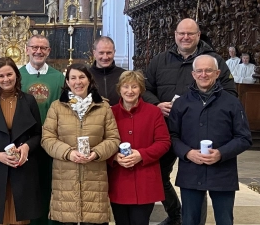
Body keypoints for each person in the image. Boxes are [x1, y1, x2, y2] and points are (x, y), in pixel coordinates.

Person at [143, 18, 237, 225]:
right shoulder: (160, 60)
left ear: (198, 35)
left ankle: (195, 222)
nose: (185, 37)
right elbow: (145, 89)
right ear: (175, 34)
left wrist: (200, 106)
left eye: (190, 34)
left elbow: (230, 93)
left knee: (198, 182)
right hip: (168, 131)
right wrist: (157, 104)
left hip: (201, 132)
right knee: (157, 175)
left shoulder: (213, 60)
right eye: (181, 33)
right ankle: (176, 215)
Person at [168, 54, 252, 225]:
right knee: (190, 220)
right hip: (191, 170)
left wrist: (221, 153)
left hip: (223, 172)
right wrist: (187, 153)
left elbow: (244, 137)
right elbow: (171, 136)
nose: (203, 74)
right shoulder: (181, 103)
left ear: (217, 73)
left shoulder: (232, 102)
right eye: (199, 71)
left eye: (208, 70)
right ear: (193, 74)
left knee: (224, 220)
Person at [41, 63, 120, 225]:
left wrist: (96, 152)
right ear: (68, 82)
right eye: (73, 78)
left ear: (89, 80)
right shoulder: (57, 107)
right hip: (65, 180)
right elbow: (47, 139)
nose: (78, 82)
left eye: (82, 77)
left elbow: (113, 139)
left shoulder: (103, 107)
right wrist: (68, 152)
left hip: (94, 178)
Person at [0, 57, 42, 224]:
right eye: (1, 76)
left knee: (21, 217)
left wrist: (26, 147)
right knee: (0, 216)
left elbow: (38, 134)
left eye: (9, 74)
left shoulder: (29, 101)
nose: (6, 79)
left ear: (16, 75)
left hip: (23, 168)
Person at [108, 70, 171, 225]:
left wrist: (141, 155)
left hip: (145, 180)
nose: (130, 91)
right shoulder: (110, 113)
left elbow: (164, 142)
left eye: (134, 87)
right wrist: (114, 157)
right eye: (126, 86)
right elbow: (102, 142)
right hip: (118, 179)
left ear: (141, 89)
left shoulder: (154, 112)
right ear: (119, 89)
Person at [19, 34, 65, 225]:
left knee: (50, 184)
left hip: (52, 140)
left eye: (43, 48)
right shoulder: (16, 75)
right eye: (34, 47)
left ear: (49, 51)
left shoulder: (59, 78)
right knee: (30, 186)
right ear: (27, 49)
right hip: (26, 142)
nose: (39, 51)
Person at [89, 36, 125, 106]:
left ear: (114, 52)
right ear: (94, 53)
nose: (105, 57)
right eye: (101, 53)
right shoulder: (86, 75)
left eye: (109, 53)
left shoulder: (124, 75)